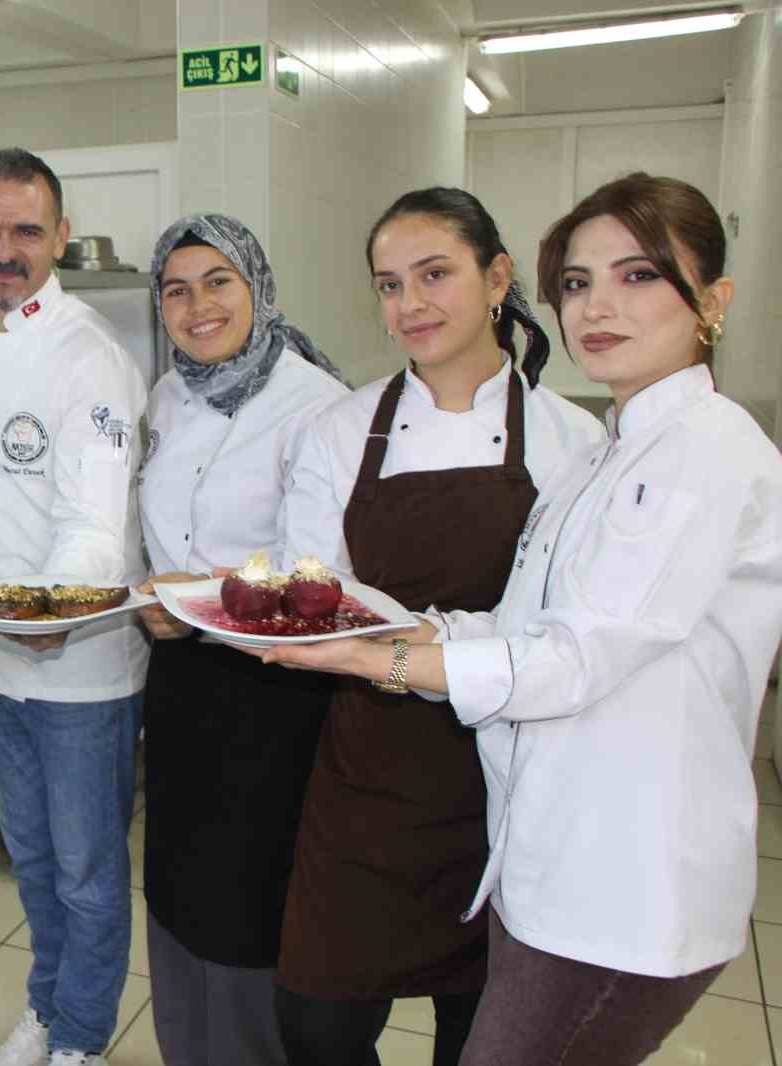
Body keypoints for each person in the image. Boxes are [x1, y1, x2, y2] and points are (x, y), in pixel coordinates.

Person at [257, 172, 782, 1066]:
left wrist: (373, 659)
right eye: (578, 283)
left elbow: (570, 658)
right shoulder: (611, 449)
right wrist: (404, 638)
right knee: (322, 1023)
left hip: (617, 859)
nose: (599, 306)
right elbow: (516, 621)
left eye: (640, 276)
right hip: (499, 812)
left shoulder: (695, 447)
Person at [269, 187, 603, 1066]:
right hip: (366, 769)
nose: (408, 304)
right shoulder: (340, 431)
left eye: (433, 274)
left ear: (497, 278)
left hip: (507, 781)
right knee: (318, 1027)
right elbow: (310, 587)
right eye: (388, 285)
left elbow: (574, 627)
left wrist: (412, 640)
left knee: (479, 1030)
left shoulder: (574, 442)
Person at [0, 147, 149, 1066]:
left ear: (61, 238)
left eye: (26, 230)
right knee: (29, 857)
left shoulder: (91, 358)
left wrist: (49, 609)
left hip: (82, 660)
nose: (4, 249)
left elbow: (93, 525)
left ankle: (83, 1040)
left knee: (89, 873)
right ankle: (47, 1009)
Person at [134, 214, 347, 1066]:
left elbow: (316, 577)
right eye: (176, 290)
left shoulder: (316, 404)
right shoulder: (166, 394)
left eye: (218, 281)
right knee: (179, 892)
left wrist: (187, 598)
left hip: (273, 693)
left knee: (249, 906)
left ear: (256, 285)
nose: (198, 306)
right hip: (181, 683)